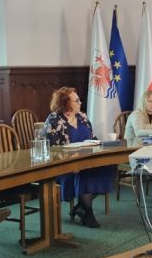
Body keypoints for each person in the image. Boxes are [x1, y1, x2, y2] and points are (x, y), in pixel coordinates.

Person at [43, 87, 115, 228]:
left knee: (108, 168)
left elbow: (93, 138)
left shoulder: (82, 117)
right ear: (65, 103)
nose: (80, 103)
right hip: (64, 165)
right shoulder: (54, 120)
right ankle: (88, 213)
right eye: (76, 101)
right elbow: (52, 149)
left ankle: (80, 207)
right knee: (83, 174)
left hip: (87, 161)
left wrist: (99, 144)